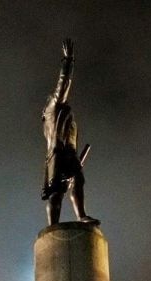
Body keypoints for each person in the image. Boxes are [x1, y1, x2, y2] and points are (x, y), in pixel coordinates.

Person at [41, 38, 98, 226]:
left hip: (68, 152)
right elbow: (63, 83)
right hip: (58, 152)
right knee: (57, 191)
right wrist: (68, 61)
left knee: (78, 179)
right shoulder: (53, 107)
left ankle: (81, 215)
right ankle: (53, 226)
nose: (59, 96)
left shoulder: (63, 114)